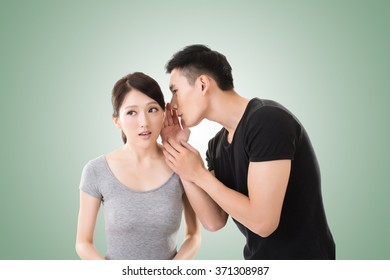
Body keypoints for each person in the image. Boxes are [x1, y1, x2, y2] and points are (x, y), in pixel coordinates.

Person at [161, 44, 335, 260]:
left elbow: (263, 223)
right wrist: (179, 155)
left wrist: (199, 174)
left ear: (203, 84)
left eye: (175, 91)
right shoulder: (216, 145)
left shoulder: (267, 120)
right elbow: (214, 221)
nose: (172, 105)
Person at [75, 72, 200, 260]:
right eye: (131, 112)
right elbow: (83, 243)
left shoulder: (181, 162)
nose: (144, 122)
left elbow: (194, 236)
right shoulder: (96, 170)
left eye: (152, 110)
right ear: (117, 120)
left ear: (164, 113)